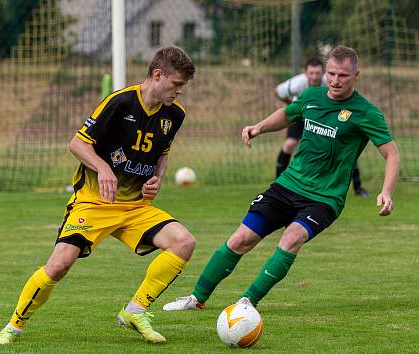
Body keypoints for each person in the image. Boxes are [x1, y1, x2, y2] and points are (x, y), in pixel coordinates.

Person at [163, 45, 399, 312]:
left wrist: (386, 191)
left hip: (323, 198)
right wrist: (259, 127)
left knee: (291, 238)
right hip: (287, 185)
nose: (335, 81)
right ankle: (197, 298)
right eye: (331, 73)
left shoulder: (365, 112)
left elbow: (391, 153)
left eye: (343, 76)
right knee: (241, 239)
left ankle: (246, 303)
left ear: (356, 75)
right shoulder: (312, 96)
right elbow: (287, 115)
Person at [0, 46, 196, 345]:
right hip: (94, 201)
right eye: (176, 85)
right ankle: (14, 326)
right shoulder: (120, 102)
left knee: (184, 242)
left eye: (183, 87)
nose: (179, 92)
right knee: (59, 265)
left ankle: (134, 311)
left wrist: (158, 179)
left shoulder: (174, 115)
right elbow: (77, 143)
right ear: (157, 75)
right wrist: (103, 168)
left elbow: (163, 154)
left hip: (136, 207)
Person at [274, 57, 369, 197]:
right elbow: (278, 91)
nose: (314, 76)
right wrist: (292, 105)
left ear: (322, 73)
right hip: (302, 113)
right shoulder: (297, 83)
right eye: (311, 73)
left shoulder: (331, 81)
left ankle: (358, 187)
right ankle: (278, 184)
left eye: (317, 73)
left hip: (325, 116)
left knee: (342, 147)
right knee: (289, 144)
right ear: (305, 72)